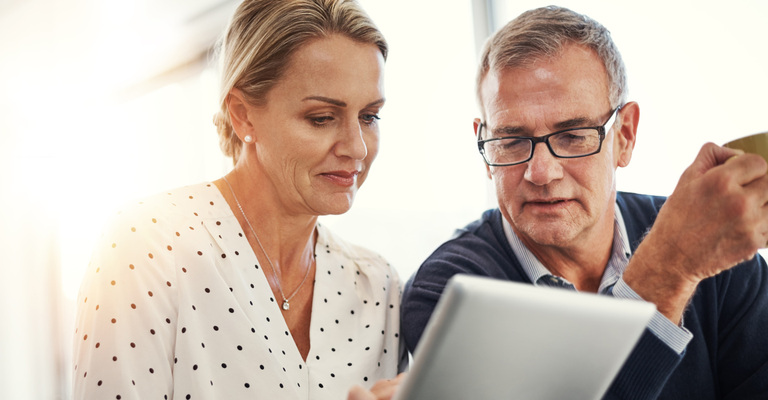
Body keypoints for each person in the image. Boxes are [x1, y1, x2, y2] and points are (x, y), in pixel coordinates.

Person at [401, 5, 768, 400]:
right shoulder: (448, 294)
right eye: (510, 141)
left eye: (573, 136)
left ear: (624, 136)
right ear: (483, 145)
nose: (541, 172)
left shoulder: (715, 248)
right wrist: (670, 266)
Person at [72, 1, 407, 399]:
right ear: (243, 114)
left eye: (369, 117)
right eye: (321, 118)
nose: (357, 148)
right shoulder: (145, 248)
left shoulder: (377, 286)